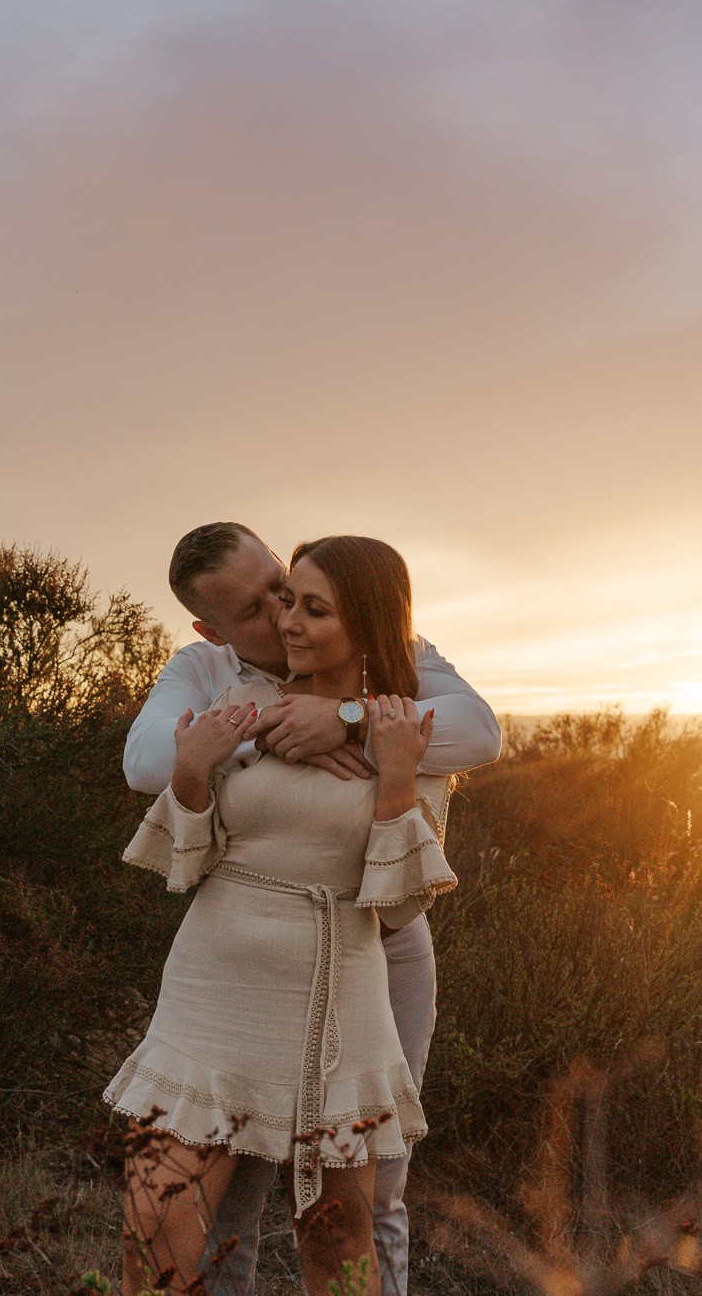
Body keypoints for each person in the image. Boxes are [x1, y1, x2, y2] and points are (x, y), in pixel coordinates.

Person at [110, 529, 498, 1296]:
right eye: (260, 607)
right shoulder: (221, 682)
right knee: (161, 1218)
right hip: (218, 983)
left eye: (295, 598)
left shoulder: (400, 711)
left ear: (362, 621)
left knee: (346, 1227)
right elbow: (176, 831)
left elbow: (401, 899)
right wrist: (213, 757)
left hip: (346, 971)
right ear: (211, 628)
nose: (282, 616)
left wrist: (354, 727)